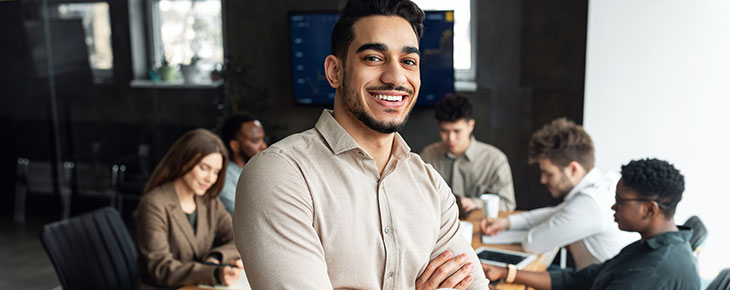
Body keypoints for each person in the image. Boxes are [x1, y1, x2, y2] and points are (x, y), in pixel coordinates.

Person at [233, 0, 489, 289]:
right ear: (334, 71)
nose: (395, 77)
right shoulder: (279, 175)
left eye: (408, 62)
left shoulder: (431, 186)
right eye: (373, 58)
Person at [482, 158, 700, 290]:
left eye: (620, 201)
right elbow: (581, 280)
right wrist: (506, 273)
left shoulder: (653, 271)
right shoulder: (649, 246)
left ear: (649, 209)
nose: (613, 207)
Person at [481, 118, 636, 270]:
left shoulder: (590, 203)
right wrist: (507, 223)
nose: (542, 180)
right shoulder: (604, 181)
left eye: (549, 174)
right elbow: (560, 212)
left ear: (573, 169)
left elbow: (533, 243)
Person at [135, 129, 242, 289]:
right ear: (184, 160)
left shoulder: (209, 202)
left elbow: (239, 238)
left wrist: (216, 258)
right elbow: (161, 268)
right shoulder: (154, 203)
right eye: (204, 168)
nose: (210, 178)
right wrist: (213, 272)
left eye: (216, 172)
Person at [421, 94, 516, 213]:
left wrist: (475, 203)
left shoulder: (495, 159)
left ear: (470, 126)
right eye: (444, 131)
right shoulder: (428, 156)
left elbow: (507, 204)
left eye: (457, 131)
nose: (451, 138)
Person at [219, 113, 267, 213]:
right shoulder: (225, 178)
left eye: (263, 139)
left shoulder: (261, 171)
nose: (263, 146)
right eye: (255, 140)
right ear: (235, 146)